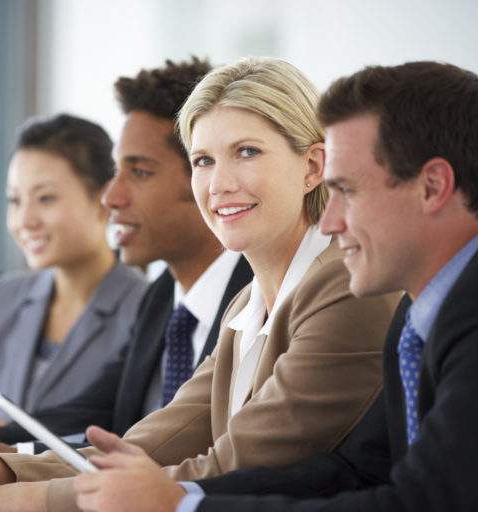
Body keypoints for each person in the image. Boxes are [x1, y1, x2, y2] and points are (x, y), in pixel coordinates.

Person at [0, 58, 400, 512]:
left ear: (312, 167)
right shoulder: (249, 301)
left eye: (247, 152)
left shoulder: (345, 289)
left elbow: (229, 466)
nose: (219, 183)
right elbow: (148, 446)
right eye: (204, 160)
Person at [72, 61, 478, 512]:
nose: (332, 218)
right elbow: (356, 470)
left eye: (348, 189)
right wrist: (178, 497)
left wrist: (179, 504)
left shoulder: (364, 295)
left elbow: (422, 501)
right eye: (203, 160)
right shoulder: (410, 317)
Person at [0, 58, 253, 448]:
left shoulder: (261, 300)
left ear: (205, 174)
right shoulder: (163, 299)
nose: (112, 197)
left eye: (140, 172)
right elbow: (82, 420)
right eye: (117, 171)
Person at [0, 114, 148, 436]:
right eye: (15, 200)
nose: (24, 219)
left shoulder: (143, 307)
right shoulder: (6, 296)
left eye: (45, 198)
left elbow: (119, 434)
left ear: (104, 200)